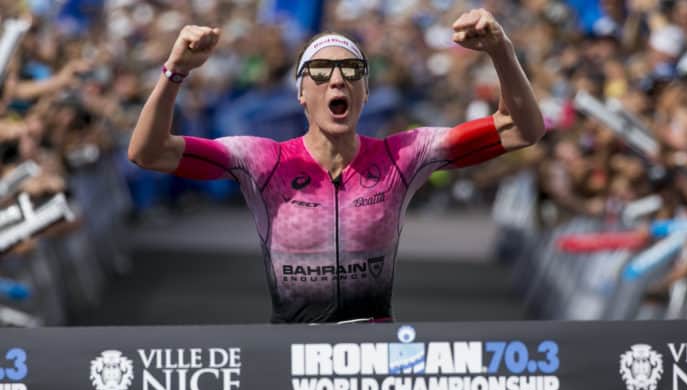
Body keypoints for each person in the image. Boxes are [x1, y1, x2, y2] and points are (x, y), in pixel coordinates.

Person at [128, 9, 545, 323]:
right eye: (321, 71)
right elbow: (148, 152)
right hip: (290, 357)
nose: (337, 80)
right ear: (301, 94)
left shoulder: (402, 155)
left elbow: (520, 129)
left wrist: (501, 49)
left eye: (351, 70)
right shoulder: (262, 161)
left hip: (372, 360)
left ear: (364, 93)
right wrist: (175, 71)